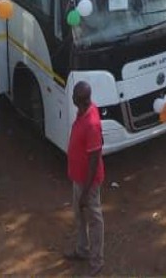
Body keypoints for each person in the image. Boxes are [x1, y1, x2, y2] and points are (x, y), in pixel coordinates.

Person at [65, 81, 105, 275]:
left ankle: (96, 262)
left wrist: (86, 191)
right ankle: (82, 250)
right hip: (78, 178)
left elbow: (94, 159)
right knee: (79, 215)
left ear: (78, 100)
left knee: (94, 219)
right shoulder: (86, 111)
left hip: (88, 182)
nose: (72, 96)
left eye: (74, 94)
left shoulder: (91, 124)